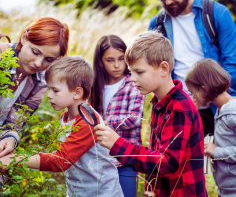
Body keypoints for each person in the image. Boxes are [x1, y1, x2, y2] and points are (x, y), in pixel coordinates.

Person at [94, 31, 206, 197]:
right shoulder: (159, 104)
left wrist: (118, 144)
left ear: (163, 68)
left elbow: (167, 163)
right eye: (131, 72)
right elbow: (156, 155)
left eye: (139, 72)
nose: (131, 78)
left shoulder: (179, 108)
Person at [148, 0, 236, 135]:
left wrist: (201, 97)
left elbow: (234, 66)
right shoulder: (156, 24)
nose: (167, 2)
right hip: (178, 111)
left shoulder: (217, 13)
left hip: (221, 109)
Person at [0, 56, 124, 197]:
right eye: (49, 89)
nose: (49, 96)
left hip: (101, 193)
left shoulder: (88, 121)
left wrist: (15, 159)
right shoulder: (66, 117)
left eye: (55, 90)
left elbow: (61, 161)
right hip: (77, 192)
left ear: (77, 93)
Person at [184, 58, 236, 197]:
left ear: (204, 90)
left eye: (192, 92)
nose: (193, 97)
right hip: (228, 191)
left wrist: (218, 151)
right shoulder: (222, 111)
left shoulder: (235, 112)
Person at [0, 17, 69, 157]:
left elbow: (15, 122)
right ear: (25, 37)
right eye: (35, 52)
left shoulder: (41, 81)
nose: (38, 64)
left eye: (49, 60)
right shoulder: (1, 55)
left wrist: (10, 138)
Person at [89, 35, 145, 197]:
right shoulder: (95, 86)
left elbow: (135, 118)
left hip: (125, 159)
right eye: (110, 60)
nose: (117, 65)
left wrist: (105, 123)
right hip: (100, 160)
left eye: (121, 59)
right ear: (100, 61)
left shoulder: (133, 83)